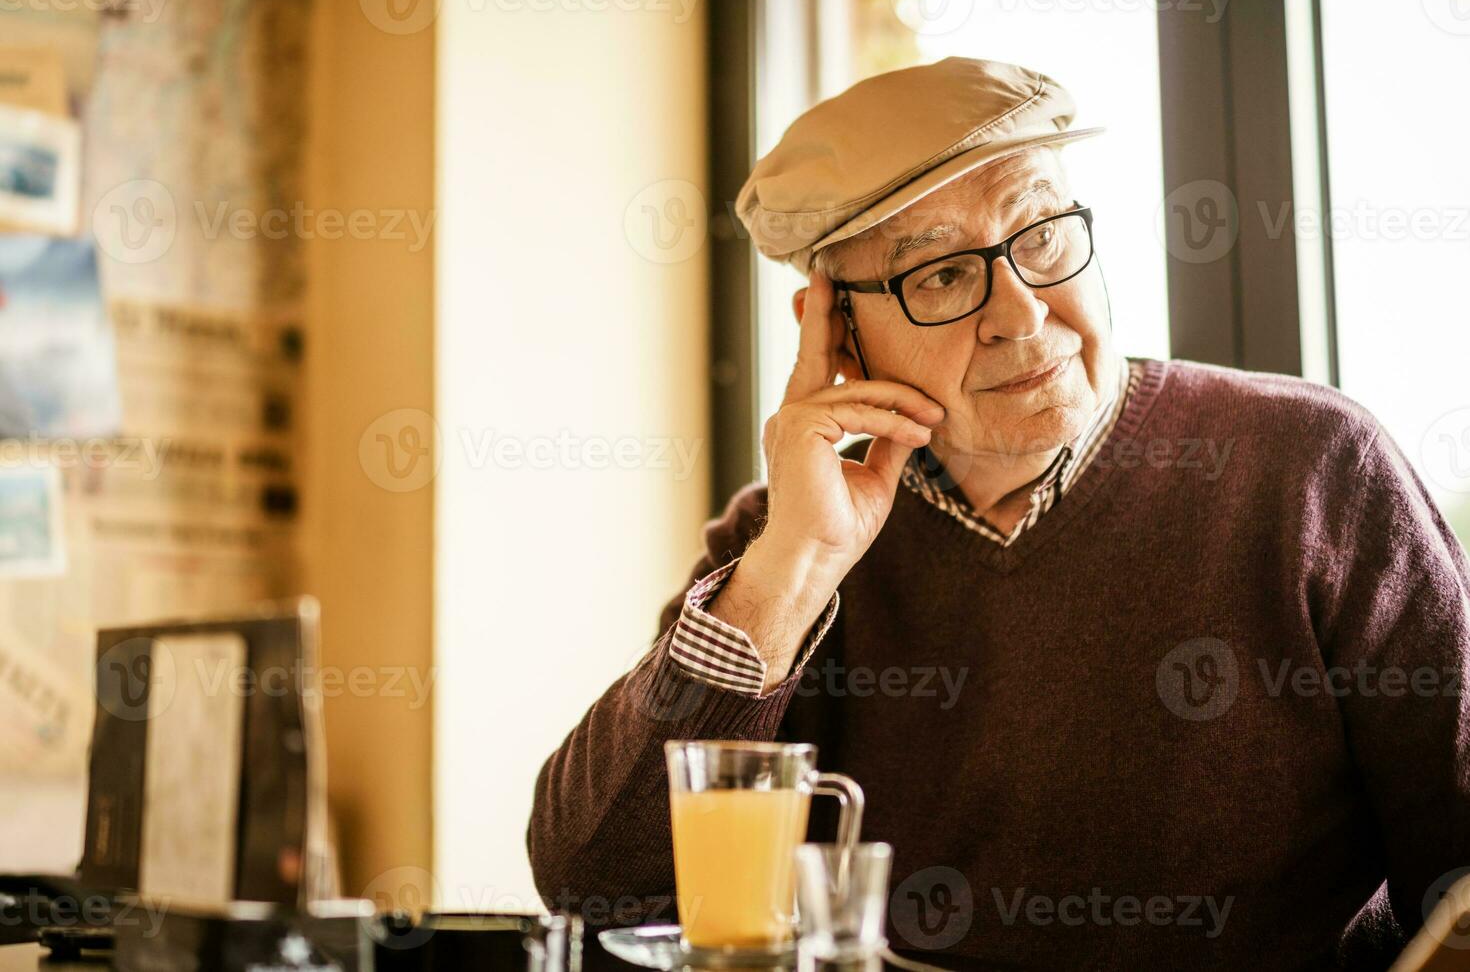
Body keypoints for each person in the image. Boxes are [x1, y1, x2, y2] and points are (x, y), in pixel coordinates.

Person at [527, 57, 1470, 970]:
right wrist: (790, 579)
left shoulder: (1313, 467)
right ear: (834, 329)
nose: (1019, 313)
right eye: (938, 274)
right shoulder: (785, 542)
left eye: (1044, 233)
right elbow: (594, 885)